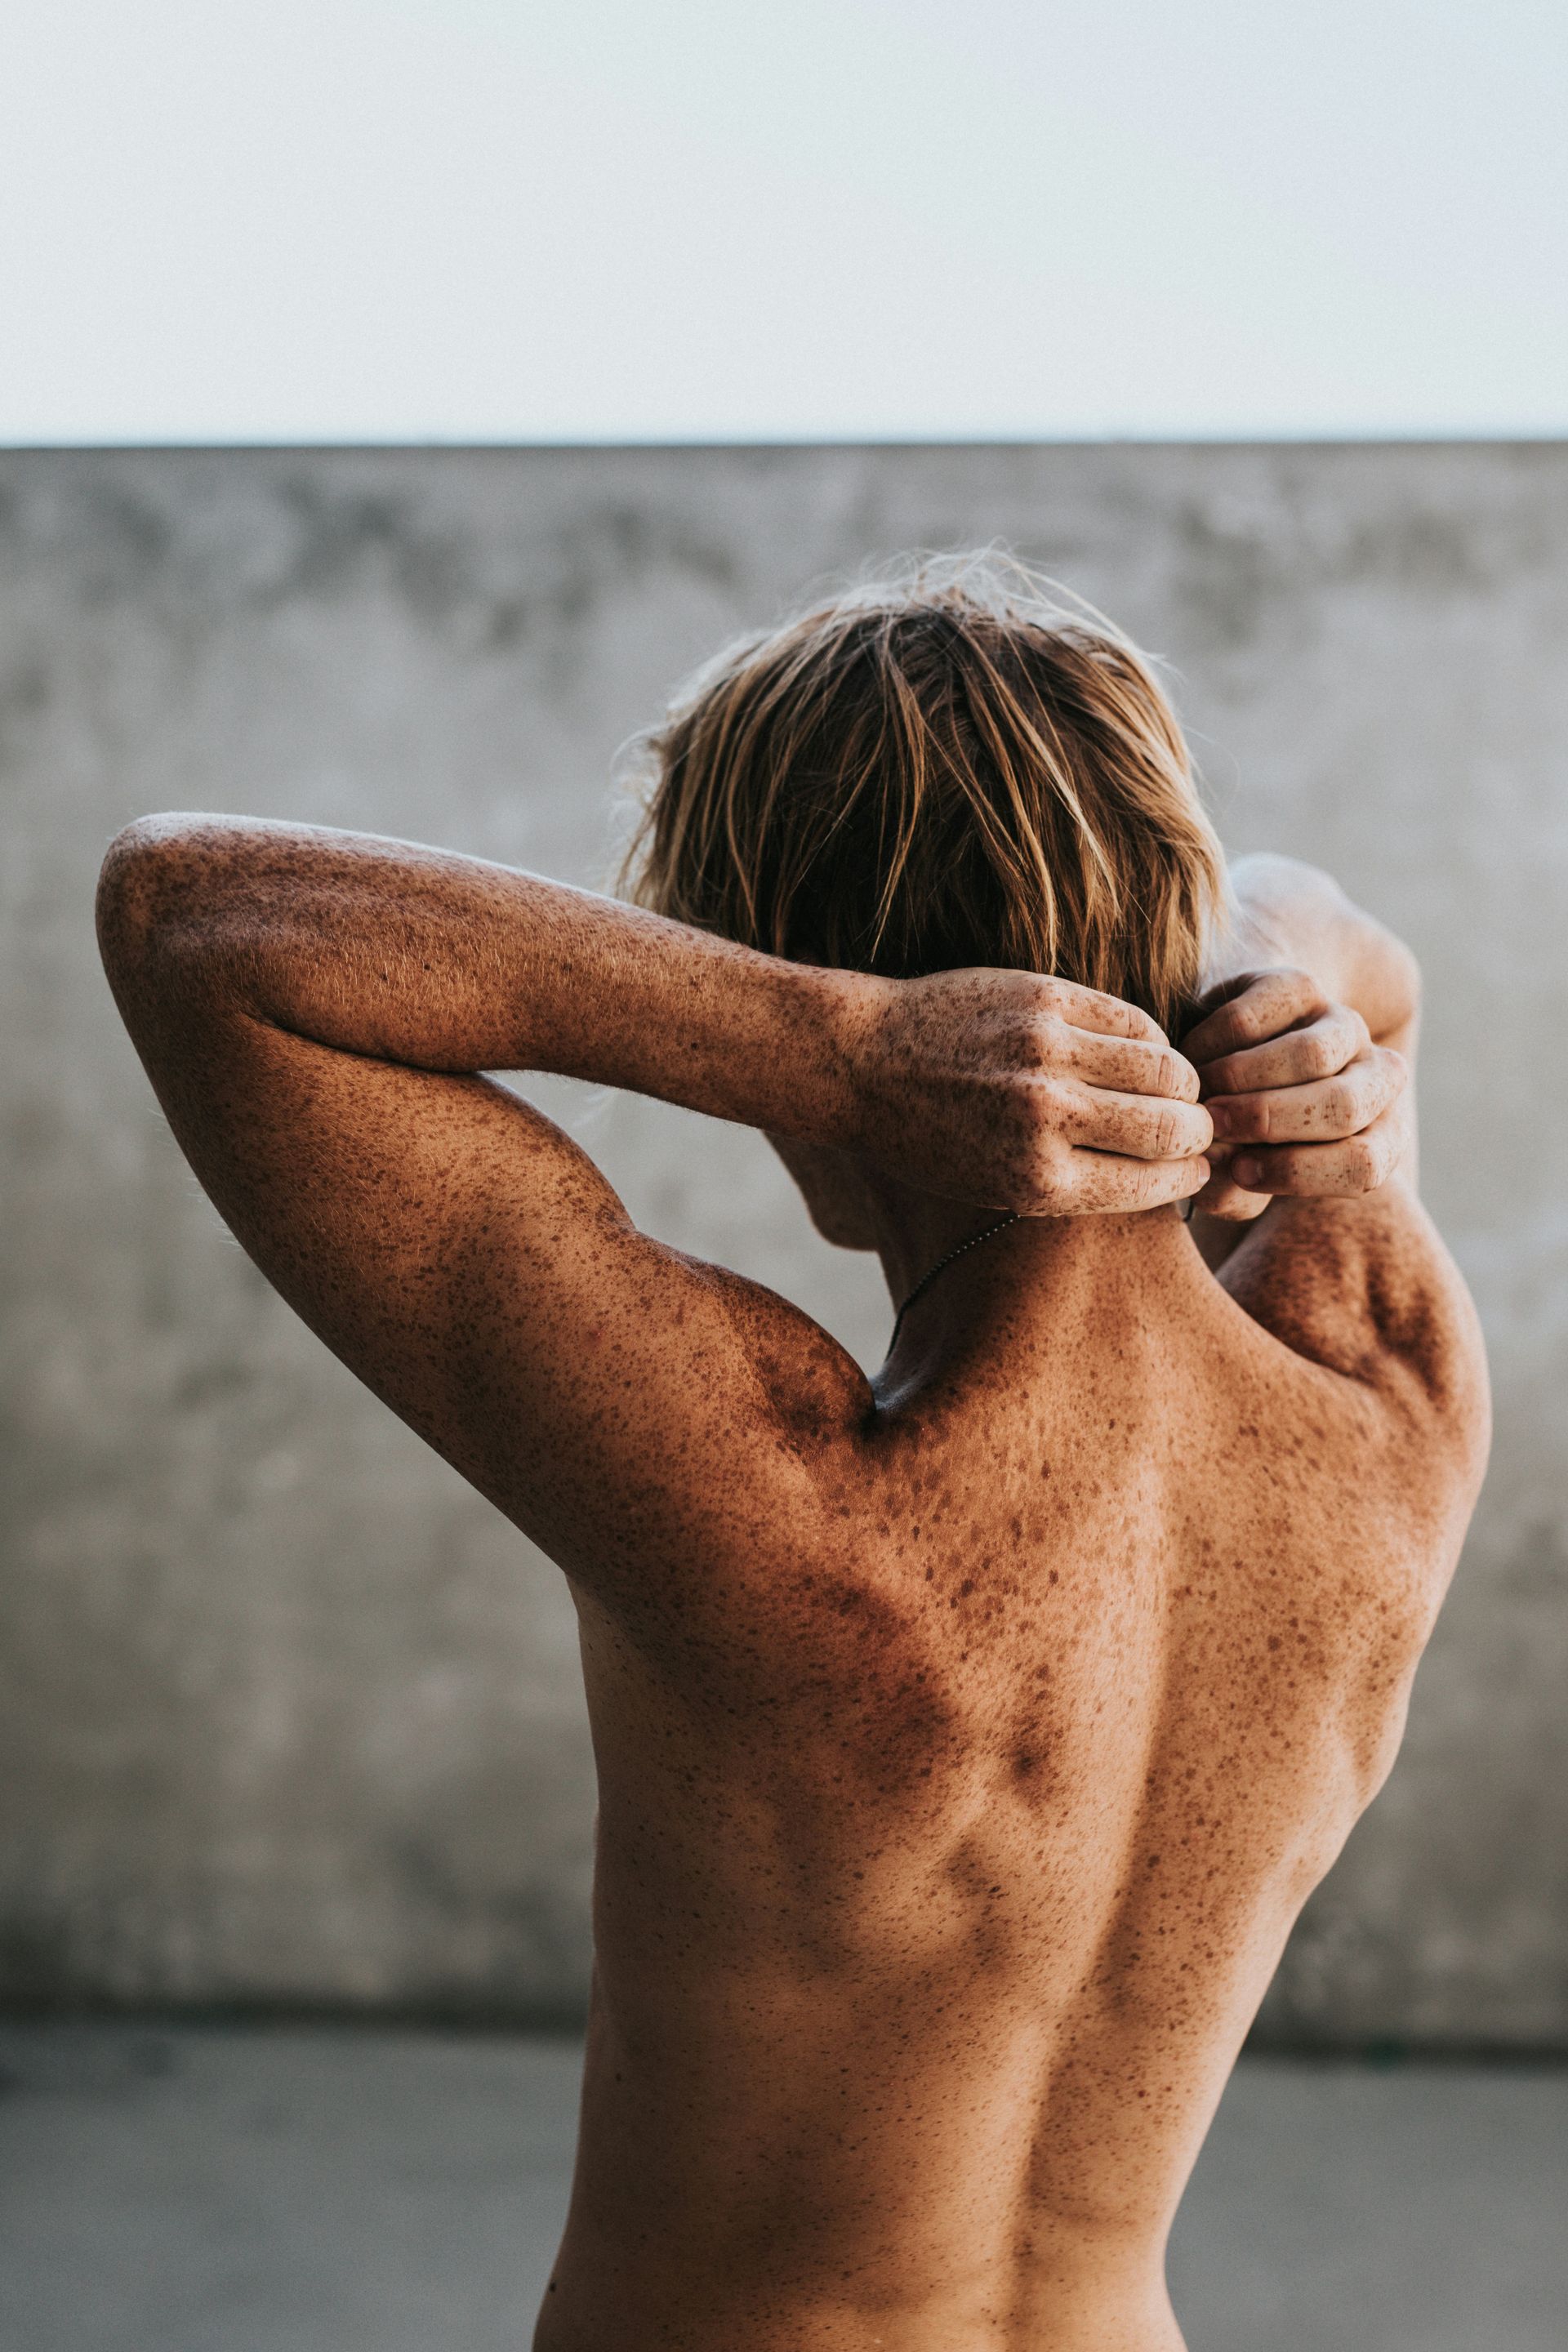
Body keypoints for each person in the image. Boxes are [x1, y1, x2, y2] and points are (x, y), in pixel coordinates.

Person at [96, 555, 1489, 2351]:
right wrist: (1250, 972)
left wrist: (824, 1047)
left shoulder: (771, 1505)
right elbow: (1357, 952)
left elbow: (193, 922)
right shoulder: (1390, 1398)